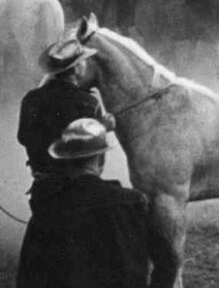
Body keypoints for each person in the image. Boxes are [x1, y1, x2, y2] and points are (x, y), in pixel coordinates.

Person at [17, 118, 151, 287]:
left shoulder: (46, 214)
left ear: (64, 161)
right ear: (101, 158)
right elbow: (167, 260)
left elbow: (27, 280)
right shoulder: (134, 203)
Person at [18, 39, 116, 189]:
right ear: (76, 68)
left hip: (42, 189)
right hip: (77, 188)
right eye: (83, 61)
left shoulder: (31, 98)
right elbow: (92, 153)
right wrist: (103, 127)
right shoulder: (88, 102)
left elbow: (23, 138)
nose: (85, 64)